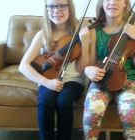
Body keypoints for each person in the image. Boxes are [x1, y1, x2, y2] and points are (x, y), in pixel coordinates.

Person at [79, 0, 135, 139]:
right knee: (91, 113)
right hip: (102, 78)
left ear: (125, 4)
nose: (113, 2)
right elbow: (90, 64)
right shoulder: (94, 31)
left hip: (127, 79)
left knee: (130, 115)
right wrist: (88, 68)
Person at [19, 0, 85, 140]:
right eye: (51, 6)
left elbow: (83, 66)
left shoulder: (79, 34)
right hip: (48, 79)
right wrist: (46, 82)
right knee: (45, 102)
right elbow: (23, 65)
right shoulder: (43, 35)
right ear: (46, 9)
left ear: (70, 8)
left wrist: (85, 40)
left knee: (64, 101)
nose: (56, 10)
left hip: (73, 81)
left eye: (61, 5)